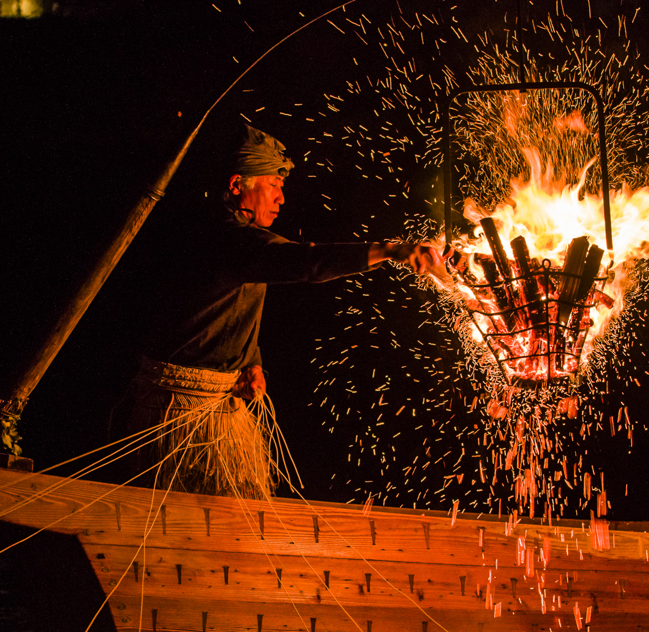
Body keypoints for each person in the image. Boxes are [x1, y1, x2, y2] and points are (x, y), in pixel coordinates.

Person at [124, 126, 441, 498]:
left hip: (216, 404)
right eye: (274, 185)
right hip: (179, 413)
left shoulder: (236, 239)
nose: (281, 199)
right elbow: (306, 262)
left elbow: (225, 310)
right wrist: (391, 250)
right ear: (238, 184)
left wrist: (249, 362)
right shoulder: (228, 238)